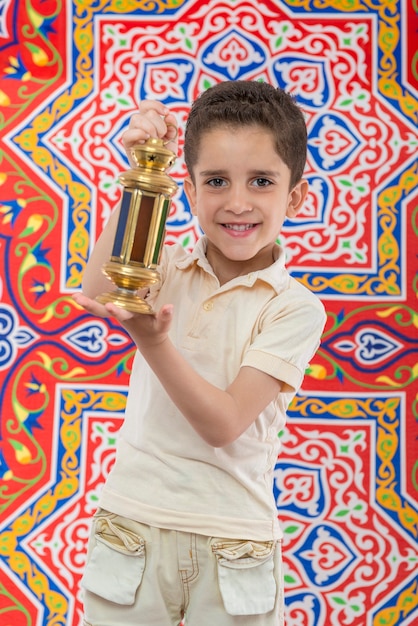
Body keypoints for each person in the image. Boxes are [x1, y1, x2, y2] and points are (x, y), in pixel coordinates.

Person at [73, 80, 327, 626]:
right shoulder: (163, 268)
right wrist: (146, 172)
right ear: (187, 190)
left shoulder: (295, 308)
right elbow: (95, 290)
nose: (237, 202)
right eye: (216, 181)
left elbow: (224, 423)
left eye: (261, 181)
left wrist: (154, 342)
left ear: (296, 196)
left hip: (236, 544)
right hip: (131, 528)